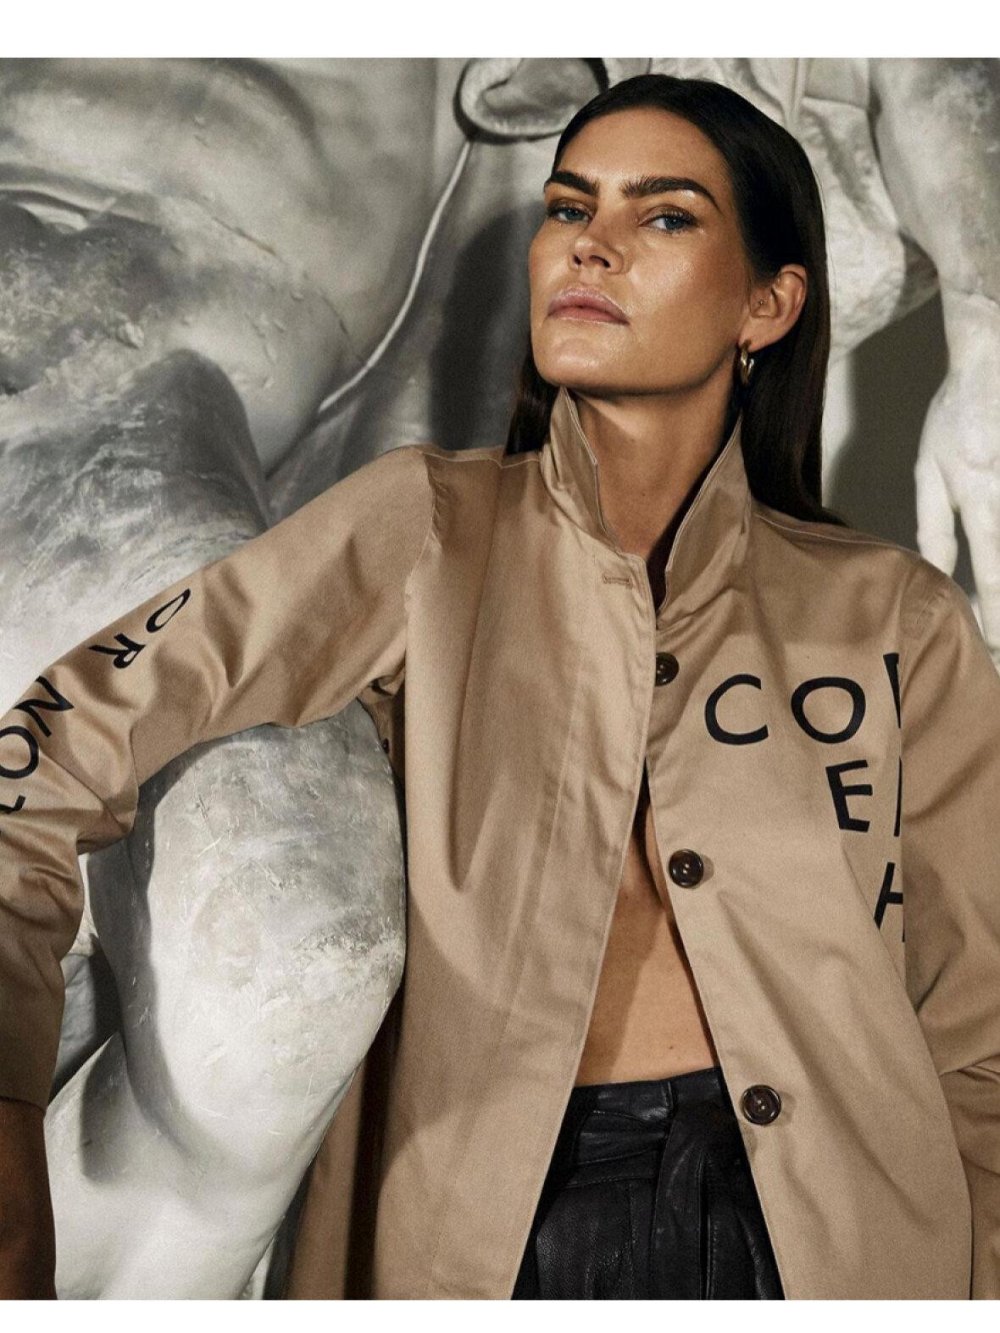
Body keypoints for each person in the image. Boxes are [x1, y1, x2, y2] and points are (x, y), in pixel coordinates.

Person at [1, 71, 999, 1300]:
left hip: (838, 1245)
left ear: (767, 304)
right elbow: (59, 739)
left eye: (663, 214)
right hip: (485, 1239)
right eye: (569, 205)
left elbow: (979, 1031)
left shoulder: (897, 618)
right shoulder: (421, 530)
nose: (591, 242)